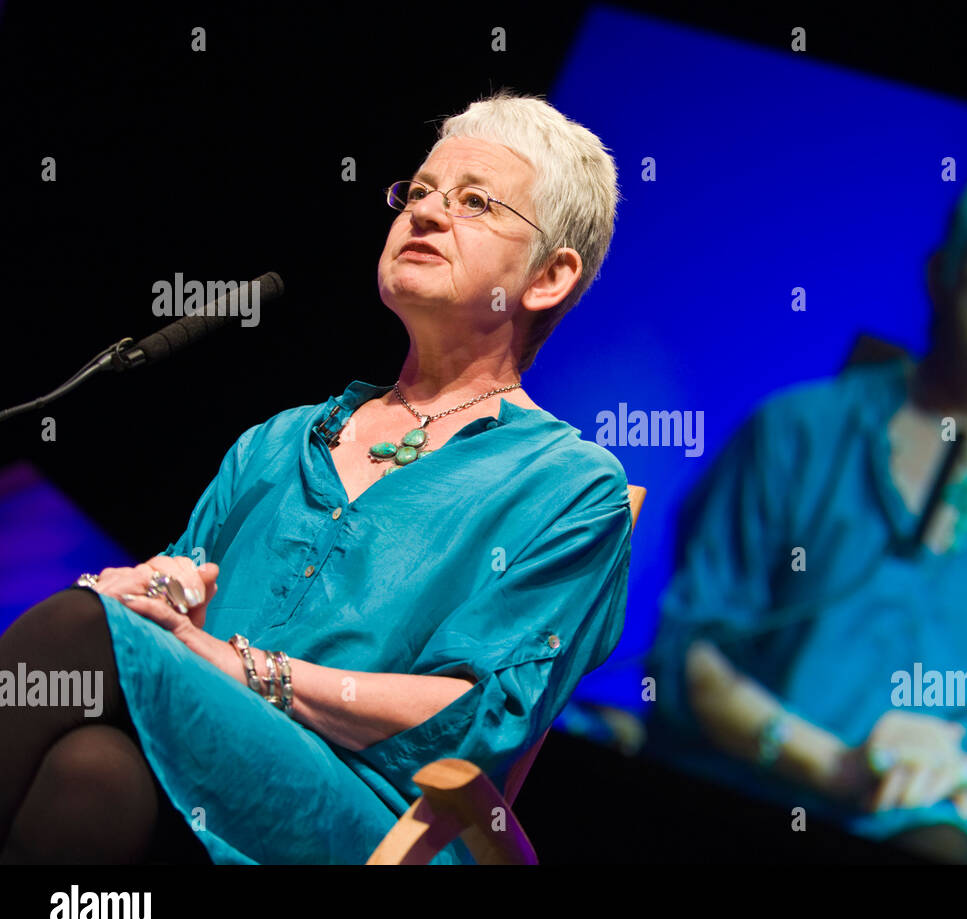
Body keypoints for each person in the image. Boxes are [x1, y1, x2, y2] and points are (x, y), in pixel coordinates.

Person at [0, 90, 631, 865]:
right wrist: (154, 589)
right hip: (200, 784)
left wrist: (249, 669)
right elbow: (175, 616)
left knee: (80, 628)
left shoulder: (569, 485)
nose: (426, 215)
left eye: (475, 202)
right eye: (419, 192)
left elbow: (476, 719)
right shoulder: (281, 438)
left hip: (362, 811)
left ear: (547, 278)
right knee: (91, 773)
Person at [644, 147, 967, 864]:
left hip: (925, 826)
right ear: (942, 273)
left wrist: (954, 773)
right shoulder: (798, 430)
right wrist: (835, 766)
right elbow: (692, 654)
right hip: (747, 785)